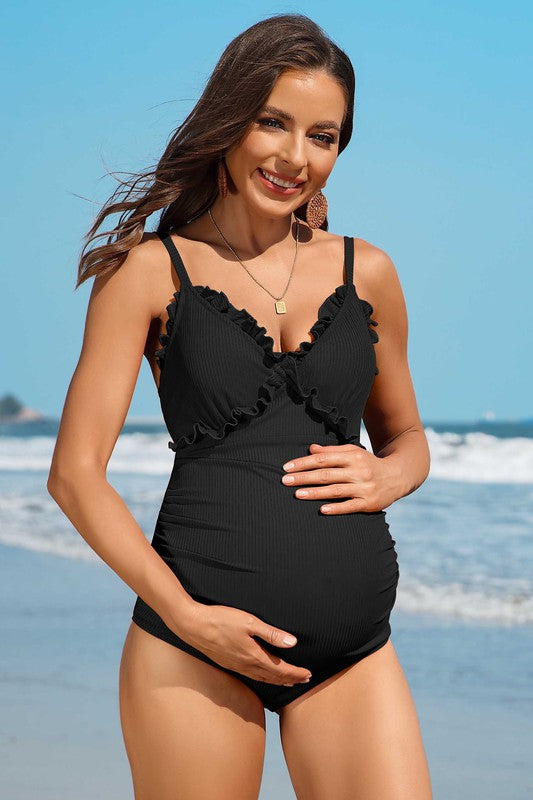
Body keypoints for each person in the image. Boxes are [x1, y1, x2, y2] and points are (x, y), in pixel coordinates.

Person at [47, 13, 433, 800]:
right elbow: (75, 478)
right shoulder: (149, 272)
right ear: (230, 121)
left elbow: (408, 437)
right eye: (273, 123)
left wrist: (390, 478)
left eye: (322, 136)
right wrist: (188, 619)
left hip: (353, 654)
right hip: (195, 652)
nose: (295, 157)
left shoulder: (371, 273)